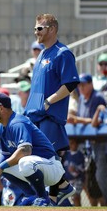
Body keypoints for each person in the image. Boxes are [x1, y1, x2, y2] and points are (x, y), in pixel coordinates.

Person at [23, 13, 79, 205]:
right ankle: (57, 193)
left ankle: (54, 196)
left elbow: (70, 83)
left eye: (39, 28)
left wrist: (49, 101)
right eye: (35, 28)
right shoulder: (42, 55)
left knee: (47, 159)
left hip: (49, 116)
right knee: (42, 160)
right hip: (34, 116)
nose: (35, 32)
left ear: (52, 29)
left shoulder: (62, 53)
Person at [0, 93, 65, 206]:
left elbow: (25, 150)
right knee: (1, 165)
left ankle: (43, 198)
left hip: (51, 166)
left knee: (23, 162)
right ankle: (31, 195)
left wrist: (0, 167)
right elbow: (4, 155)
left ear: (1, 108)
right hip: (37, 167)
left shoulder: (17, 123)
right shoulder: (3, 126)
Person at [68, 73, 106, 206]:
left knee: (100, 178)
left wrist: (79, 120)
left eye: (84, 84)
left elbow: (97, 123)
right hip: (88, 146)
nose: (81, 87)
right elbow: (77, 121)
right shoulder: (82, 101)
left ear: (91, 84)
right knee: (91, 181)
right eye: (79, 85)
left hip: (101, 144)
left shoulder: (97, 97)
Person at [62, 138, 85, 206]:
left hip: (78, 180)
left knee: (75, 197)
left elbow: (82, 169)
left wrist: (74, 170)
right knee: (73, 198)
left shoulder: (80, 155)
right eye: (71, 143)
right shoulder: (66, 154)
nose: (73, 145)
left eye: (74, 143)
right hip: (68, 180)